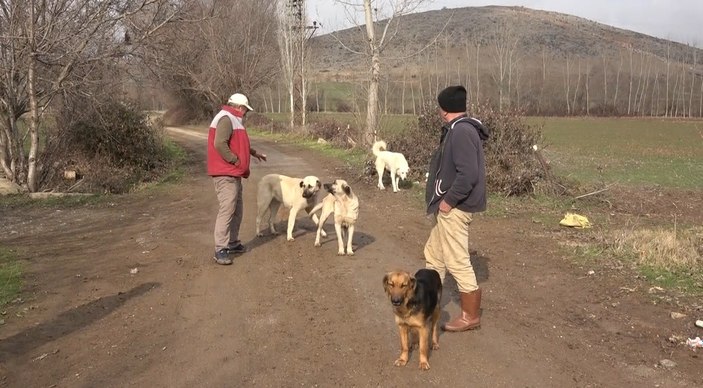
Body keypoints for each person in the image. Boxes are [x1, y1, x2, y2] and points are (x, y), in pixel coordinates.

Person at [424, 85, 490, 331]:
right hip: (451, 208)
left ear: (444, 109)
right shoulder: (460, 128)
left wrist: (448, 201)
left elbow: (468, 175)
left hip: (455, 208)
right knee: (434, 254)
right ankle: (430, 303)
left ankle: (470, 316)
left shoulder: (461, 132)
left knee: (457, 260)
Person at [208, 93, 267, 265]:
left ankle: (232, 243)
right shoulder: (226, 119)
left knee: (237, 209)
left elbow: (239, 144)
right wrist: (235, 160)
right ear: (240, 107)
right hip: (225, 172)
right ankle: (220, 249)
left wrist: (254, 153)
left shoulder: (233, 119)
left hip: (233, 172)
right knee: (227, 209)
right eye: (245, 110)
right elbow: (220, 143)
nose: (246, 113)